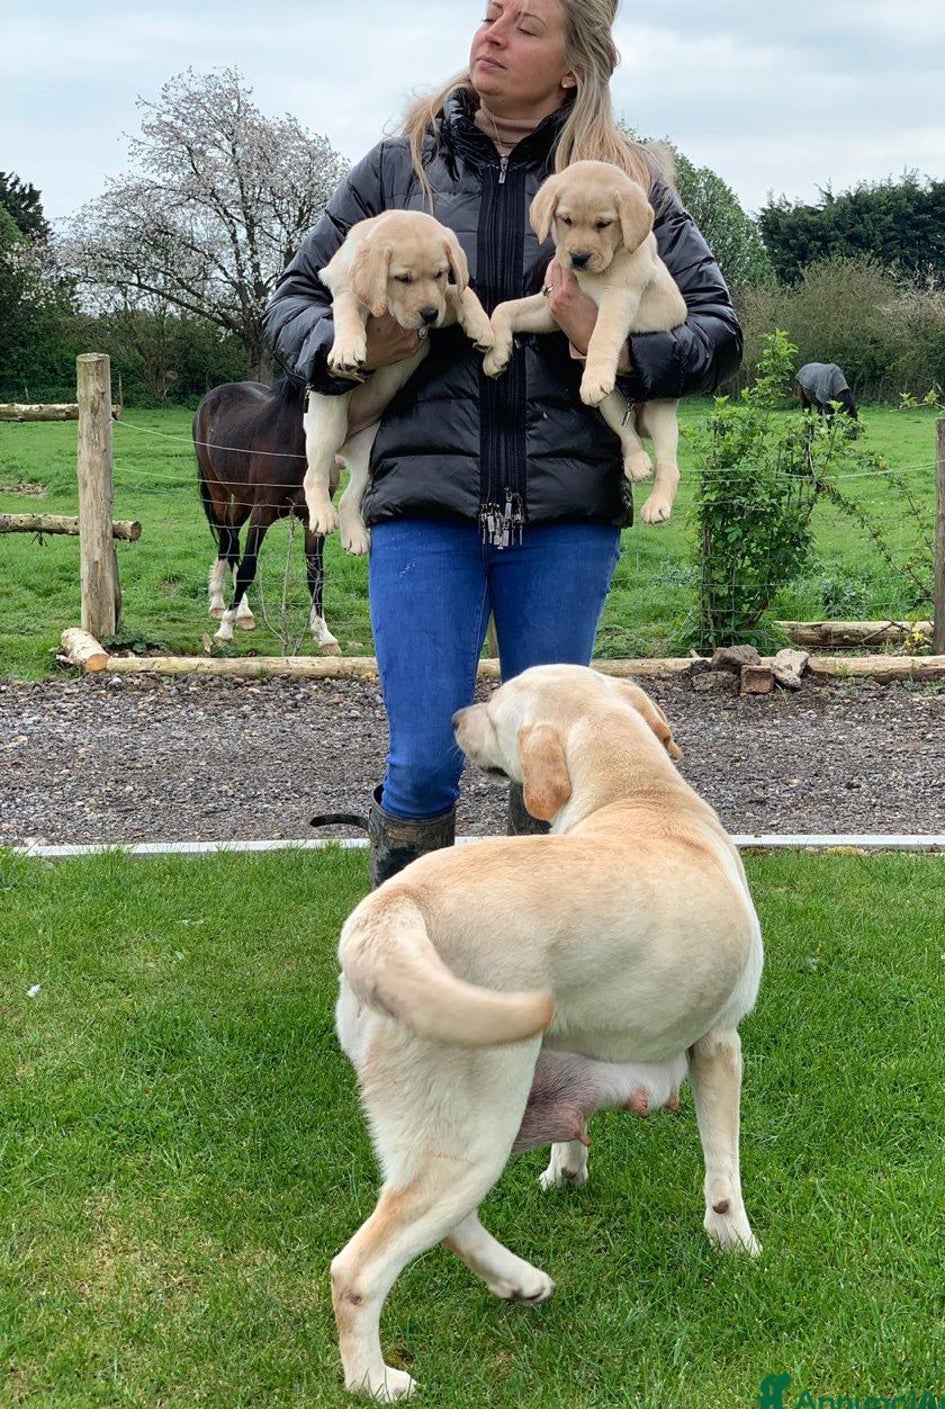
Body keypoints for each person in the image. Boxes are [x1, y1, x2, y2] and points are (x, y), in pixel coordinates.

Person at [263, 0, 743, 886]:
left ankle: (547, 965)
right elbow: (294, 298)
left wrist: (614, 343)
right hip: (420, 503)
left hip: (566, 509)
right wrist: (343, 357)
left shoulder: (624, 183)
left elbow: (717, 331)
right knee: (421, 761)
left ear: (573, 64)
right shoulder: (394, 169)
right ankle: (406, 963)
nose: (492, 35)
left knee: (547, 768)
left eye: (525, 25)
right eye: (490, 16)